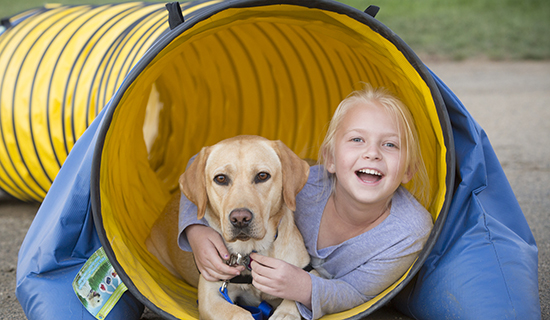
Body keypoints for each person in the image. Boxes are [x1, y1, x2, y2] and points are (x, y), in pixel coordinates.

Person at [177, 84, 433, 319]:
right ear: (329, 159)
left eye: (390, 144)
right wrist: (194, 228)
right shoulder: (308, 186)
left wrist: (304, 288)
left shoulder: (407, 232)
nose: (372, 153)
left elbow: (358, 294)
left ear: (410, 170)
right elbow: (197, 168)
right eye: (357, 140)